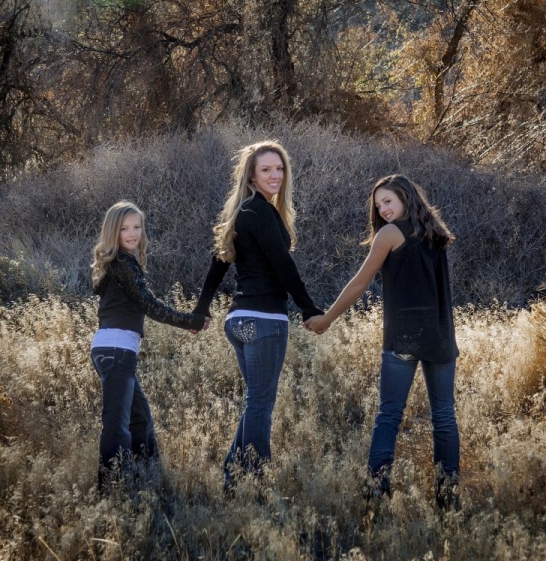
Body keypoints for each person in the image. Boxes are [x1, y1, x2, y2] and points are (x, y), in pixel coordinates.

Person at [305, 174, 461, 511]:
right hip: (440, 335)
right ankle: (447, 498)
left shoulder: (390, 234)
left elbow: (360, 283)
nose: (383, 210)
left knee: (389, 415)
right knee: (444, 417)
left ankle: (375, 493)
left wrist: (327, 318)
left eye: (388, 201)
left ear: (406, 197)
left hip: (404, 336)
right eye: (378, 206)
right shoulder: (435, 233)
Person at [192, 140, 323, 494]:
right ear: (251, 175)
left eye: (279, 169)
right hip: (264, 322)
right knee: (261, 402)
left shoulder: (244, 212)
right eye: (266, 169)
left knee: (256, 401)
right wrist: (309, 308)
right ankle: (257, 481)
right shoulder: (260, 211)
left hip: (238, 322)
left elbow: (218, 263)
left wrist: (203, 309)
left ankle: (233, 475)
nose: (275, 175)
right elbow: (284, 265)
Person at [90, 200, 210, 492]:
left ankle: (148, 480)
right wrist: (190, 321)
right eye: (124, 228)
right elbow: (149, 305)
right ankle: (112, 491)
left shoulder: (119, 264)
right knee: (117, 425)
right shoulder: (122, 263)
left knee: (139, 418)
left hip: (111, 349)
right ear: (112, 233)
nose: (132, 234)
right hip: (117, 351)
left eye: (137, 227)